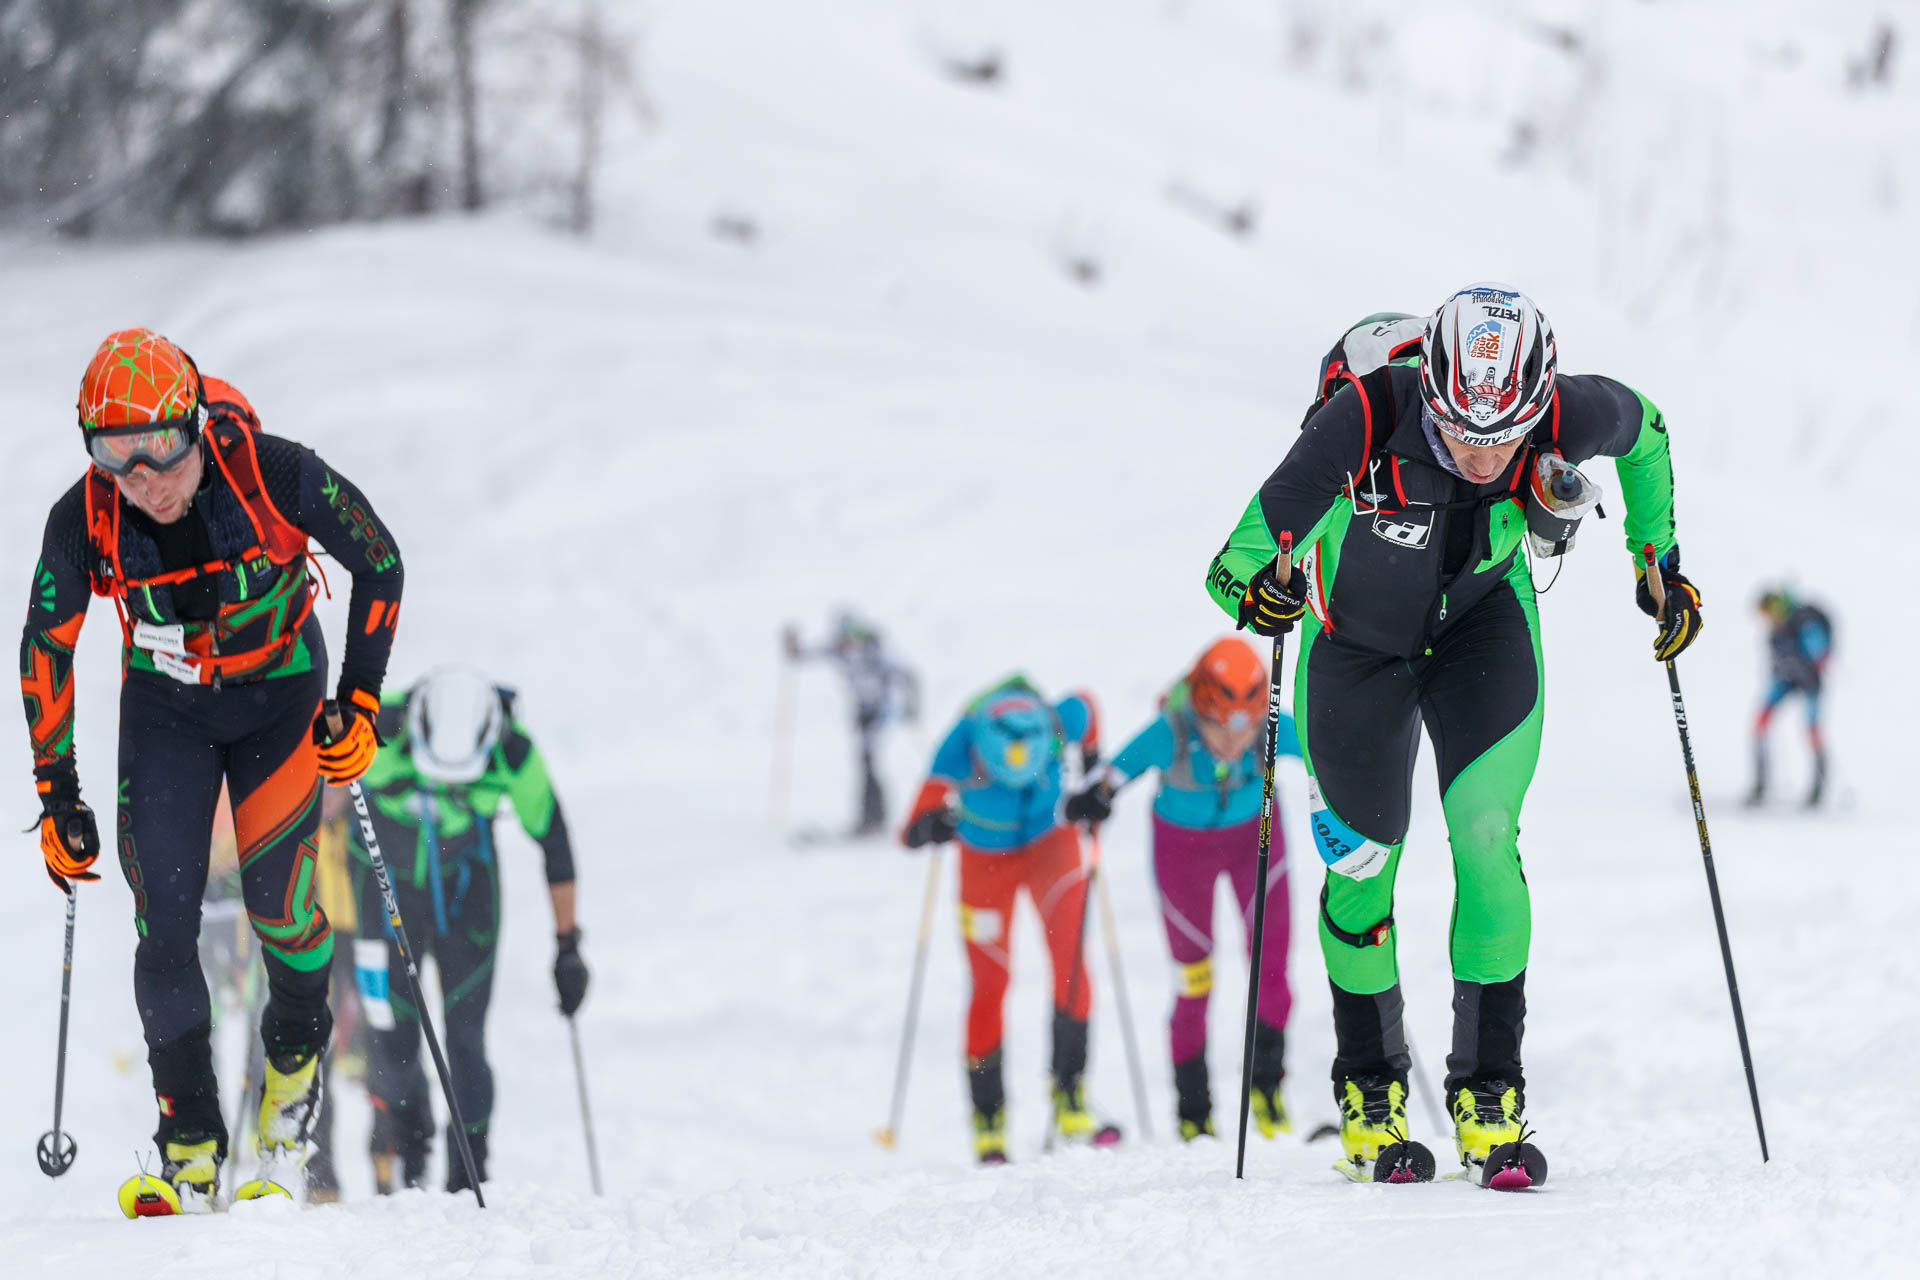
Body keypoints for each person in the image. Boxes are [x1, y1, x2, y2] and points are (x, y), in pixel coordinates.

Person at [1201, 286, 1700, 1183]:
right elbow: (1237, 557)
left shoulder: (1565, 408)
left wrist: (1656, 562)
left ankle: (1490, 1094)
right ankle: (1370, 1094)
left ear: (1536, 402)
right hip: (1353, 650)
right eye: (1463, 431)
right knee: (1363, 868)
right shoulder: (1363, 416)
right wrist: (1257, 594)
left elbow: (1648, 430)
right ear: (1430, 394)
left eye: (1504, 436)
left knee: (1484, 837)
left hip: (1483, 628)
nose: (1482, 453)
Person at [21, 329, 403, 1211]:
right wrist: (57, 795)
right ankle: (188, 1144)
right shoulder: (84, 517)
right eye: (114, 458)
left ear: (195, 428)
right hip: (168, 713)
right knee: (164, 926)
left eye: (160, 451)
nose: (144, 480)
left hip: (279, 698)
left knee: (281, 907)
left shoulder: (273, 471)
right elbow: (46, 643)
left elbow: (378, 560)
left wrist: (362, 702)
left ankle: (286, 1107)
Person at [347, 665, 588, 1194]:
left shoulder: (514, 752)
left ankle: (469, 1172)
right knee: (390, 1038)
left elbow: (555, 841)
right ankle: (407, 1152)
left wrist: (568, 947)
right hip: (380, 890)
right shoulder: (372, 721)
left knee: (466, 1040)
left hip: (467, 893)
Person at [1064, 638, 1301, 1141]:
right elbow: (1111, 773)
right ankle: (1194, 1113)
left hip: (1254, 841)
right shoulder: (1171, 729)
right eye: (1221, 726)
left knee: (1272, 968)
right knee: (1195, 982)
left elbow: (1335, 749)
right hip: (1182, 854)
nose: (1235, 740)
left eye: (1247, 726)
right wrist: (1093, 798)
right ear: (1199, 710)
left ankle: (1266, 1090)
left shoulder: (1269, 728)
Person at [899, 674, 1118, 1163]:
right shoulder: (961, 740)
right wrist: (928, 824)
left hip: (1051, 844)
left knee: (1071, 966)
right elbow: (911, 826)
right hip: (984, 858)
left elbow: (1088, 706)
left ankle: (1070, 1097)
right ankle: (988, 1115)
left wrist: (1090, 770)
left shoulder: (1059, 721)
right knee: (990, 981)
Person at [784, 611, 919, 835]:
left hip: (880, 711)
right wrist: (793, 647)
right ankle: (873, 816)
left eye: (850, 637)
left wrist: (909, 707)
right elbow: (805, 655)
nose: (846, 643)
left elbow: (907, 675)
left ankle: (873, 817)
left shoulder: (876, 652)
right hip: (860, 712)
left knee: (868, 761)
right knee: (865, 762)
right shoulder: (838, 650)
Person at [1746, 587, 1834, 808]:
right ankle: (1760, 783)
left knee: (1812, 730)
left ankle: (1818, 788)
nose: (1768, 619)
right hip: (1785, 680)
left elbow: (1819, 654)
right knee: (1760, 724)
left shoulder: (1804, 623)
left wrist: (1808, 665)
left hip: (1809, 682)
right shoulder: (1778, 630)